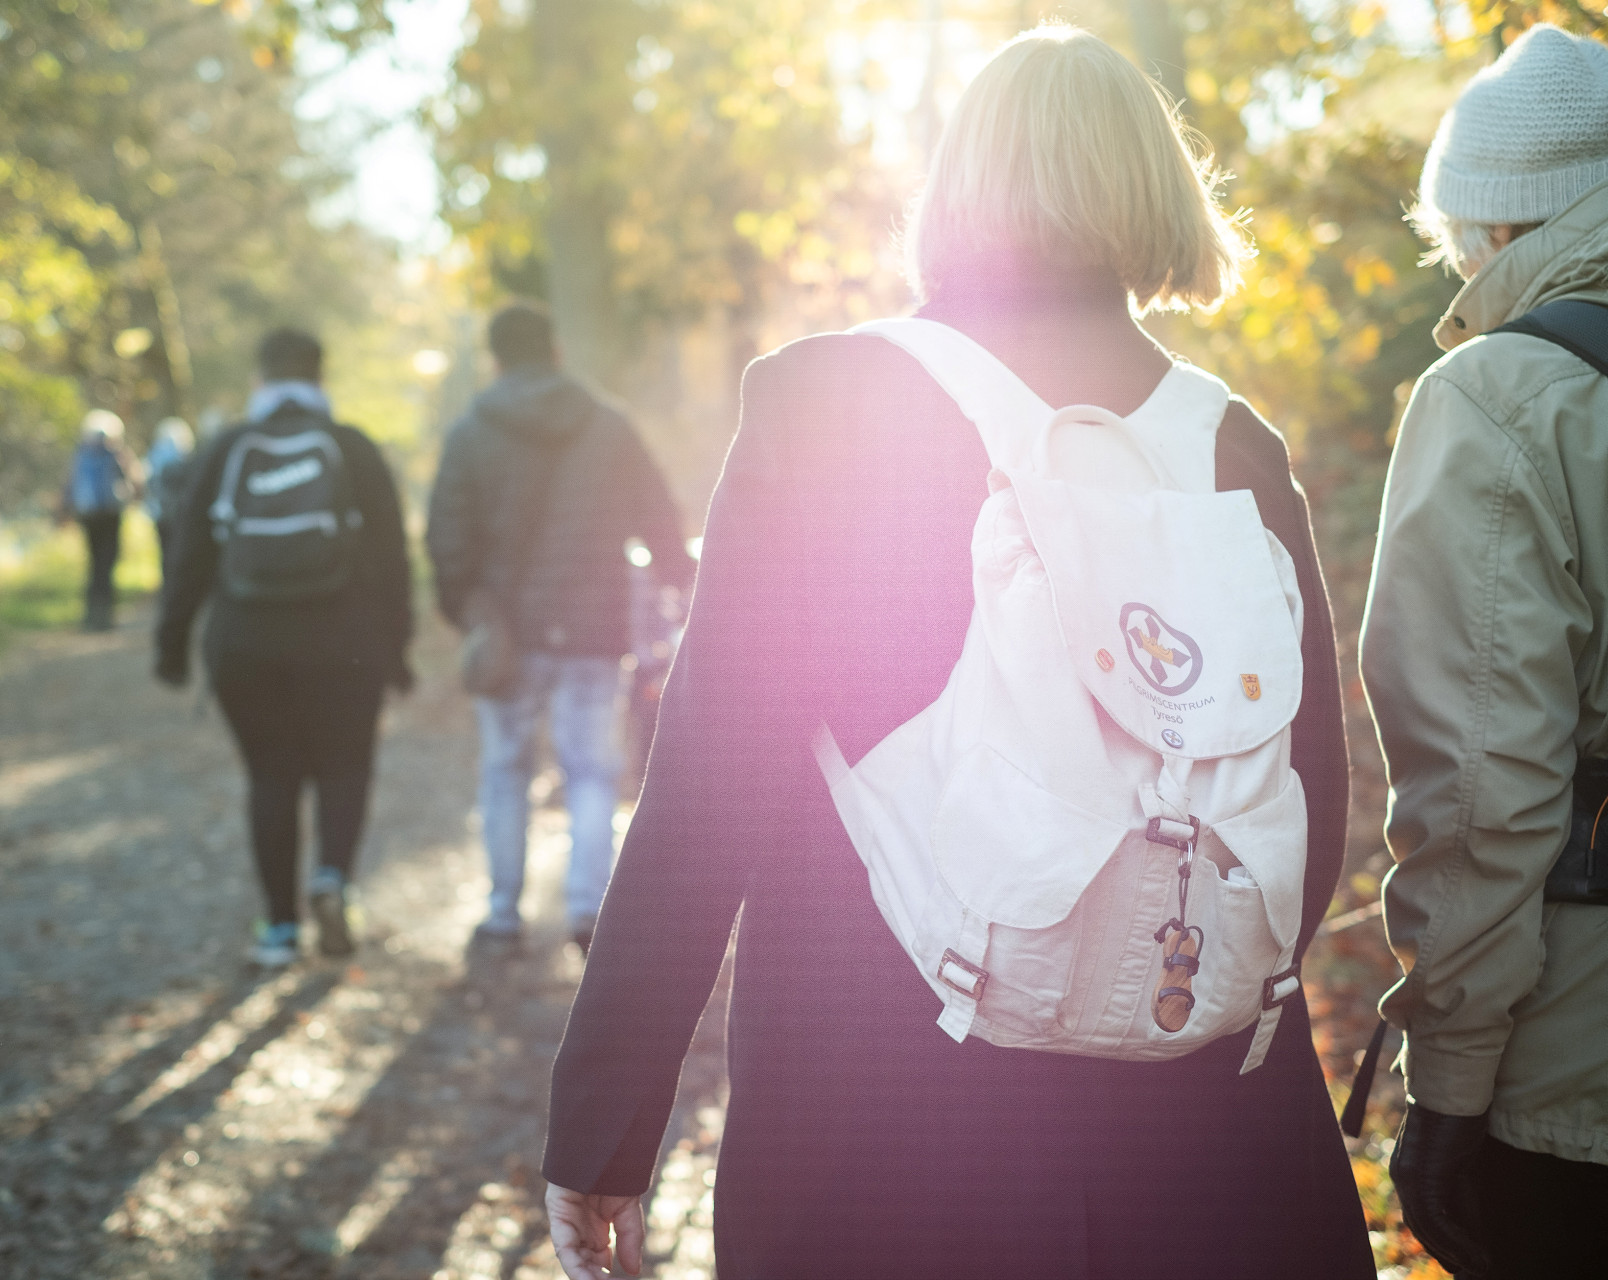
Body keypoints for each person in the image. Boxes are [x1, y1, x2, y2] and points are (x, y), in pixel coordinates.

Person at [542, 27, 1371, 1280]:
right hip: (1199, 1120)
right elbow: (1312, 792)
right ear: (1156, 186)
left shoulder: (831, 402)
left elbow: (712, 778)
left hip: (889, 1108)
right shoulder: (1233, 443)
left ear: (959, 187)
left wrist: (607, 1117)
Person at [1359, 24, 1608, 1280]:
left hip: (1576, 1090)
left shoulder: (1504, 396)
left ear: (1501, 227)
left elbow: (1479, 790)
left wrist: (1448, 1086)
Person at [427, 303, 691, 956]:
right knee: (593, 770)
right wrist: (676, 582)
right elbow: (659, 518)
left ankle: (501, 914)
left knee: (504, 771)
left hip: (507, 634)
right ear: (557, 352)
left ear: (496, 359)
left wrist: (465, 609)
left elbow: (446, 536)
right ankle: (586, 910)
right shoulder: (609, 426)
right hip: (594, 628)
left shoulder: (471, 432)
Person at [154, 328, 413, 968]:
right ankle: (331, 878)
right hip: (345, 645)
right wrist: (398, 648)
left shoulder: (226, 449)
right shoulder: (352, 449)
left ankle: (278, 928)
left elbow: (188, 555)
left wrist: (172, 644)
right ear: (320, 378)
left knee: (270, 775)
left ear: (259, 381)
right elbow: (393, 559)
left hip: (246, 643)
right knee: (344, 767)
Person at [63, 409, 135, 632]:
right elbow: (131, 480)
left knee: (94, 564)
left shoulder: (81, 453)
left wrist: (66, 511)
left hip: (88, 516)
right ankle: (105, 617)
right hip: (110, 515)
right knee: (107, 564)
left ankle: (91, 617)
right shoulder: (116, 453)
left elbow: (70, 483)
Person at [144, 415, 196, 569]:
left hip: (161, 512)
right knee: (178, 550)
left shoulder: (154, 455)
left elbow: (149, 482)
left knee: (165, 550)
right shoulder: (184, 457)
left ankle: (167, 582)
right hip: (179, 513)